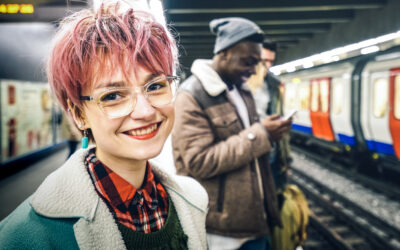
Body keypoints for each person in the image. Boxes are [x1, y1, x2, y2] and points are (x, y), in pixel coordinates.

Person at [0, 3, 208, 249]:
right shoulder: (25, 235)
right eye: (112, 96)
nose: (145, 111)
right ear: (79, 114)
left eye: (155, 86)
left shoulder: (193, 200)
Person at [171, 17, 292, 250]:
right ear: (224, 52)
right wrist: (261, 135)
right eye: (248, 62)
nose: (253, 70)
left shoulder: (241, 89)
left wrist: (266, 130)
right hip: (222, 231)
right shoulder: (192, 95)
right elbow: (199, 161)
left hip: (254, 221)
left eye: (256, 63)